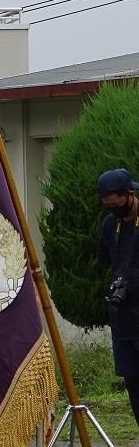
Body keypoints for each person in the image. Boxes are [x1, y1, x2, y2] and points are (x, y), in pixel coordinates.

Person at [96, 168, 139, 428]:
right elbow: (105, 260)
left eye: (118, 205)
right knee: (133, 382)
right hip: (123, 319)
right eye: (109, 206)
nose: (114, 210)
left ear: (130, 194)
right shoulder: (110, 225)